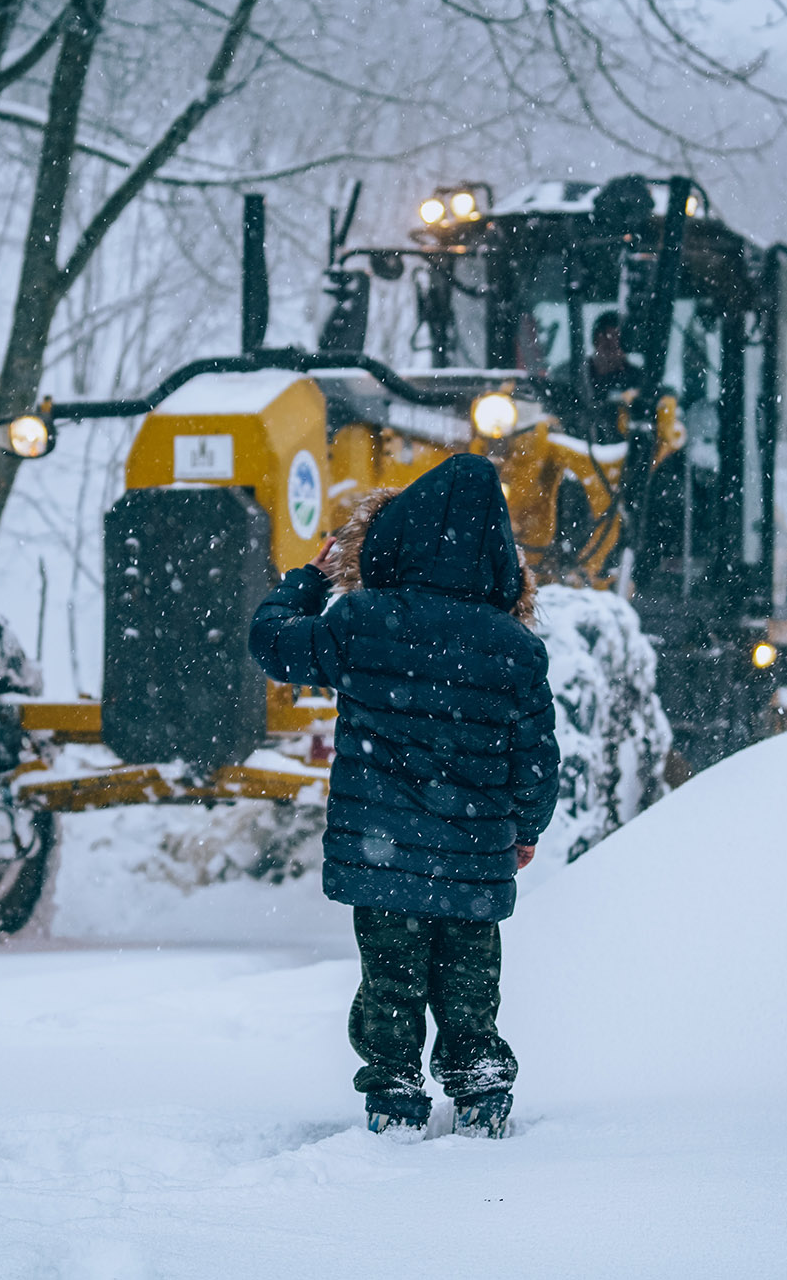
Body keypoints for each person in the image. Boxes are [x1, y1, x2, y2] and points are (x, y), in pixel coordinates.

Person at [249, 454, 560, 1139]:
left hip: (382, 852)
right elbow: (535, 757)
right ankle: (478, 1088)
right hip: (476, 853)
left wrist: (310, 579)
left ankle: (393, 1096)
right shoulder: (515, 648)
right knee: (469, 983)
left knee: (390, 980)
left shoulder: (363, 621)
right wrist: (526, 826)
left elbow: (272, 645)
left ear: (397, 540)